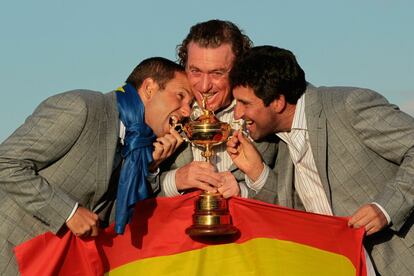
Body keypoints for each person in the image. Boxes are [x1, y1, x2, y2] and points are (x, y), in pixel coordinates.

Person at [226, 45, 414, 275]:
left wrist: (386, 208)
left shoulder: (349, 105)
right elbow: (291, 216)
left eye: (245, 103)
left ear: (278, 102)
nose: (237, 114)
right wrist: (257, 172)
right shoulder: (278, 139)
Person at [0, 57, 193, 275]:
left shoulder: (139, 148)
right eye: (180, 97)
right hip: (8, 257)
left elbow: (112, 218)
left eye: (191, 104)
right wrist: (69, 212)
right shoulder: (81, 108)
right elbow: (6, 162)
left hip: (52, 265)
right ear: (149, 88)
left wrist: (148, 169)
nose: (186, 111)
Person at [156, 20, 277, 199]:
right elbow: (129, 195)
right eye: (195, 71)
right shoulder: (164, 114)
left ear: (239, 69)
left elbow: (291, 196)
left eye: (217, 73)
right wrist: (174, 181)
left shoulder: (267, 113)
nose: (204, 87)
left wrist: (243, 192)